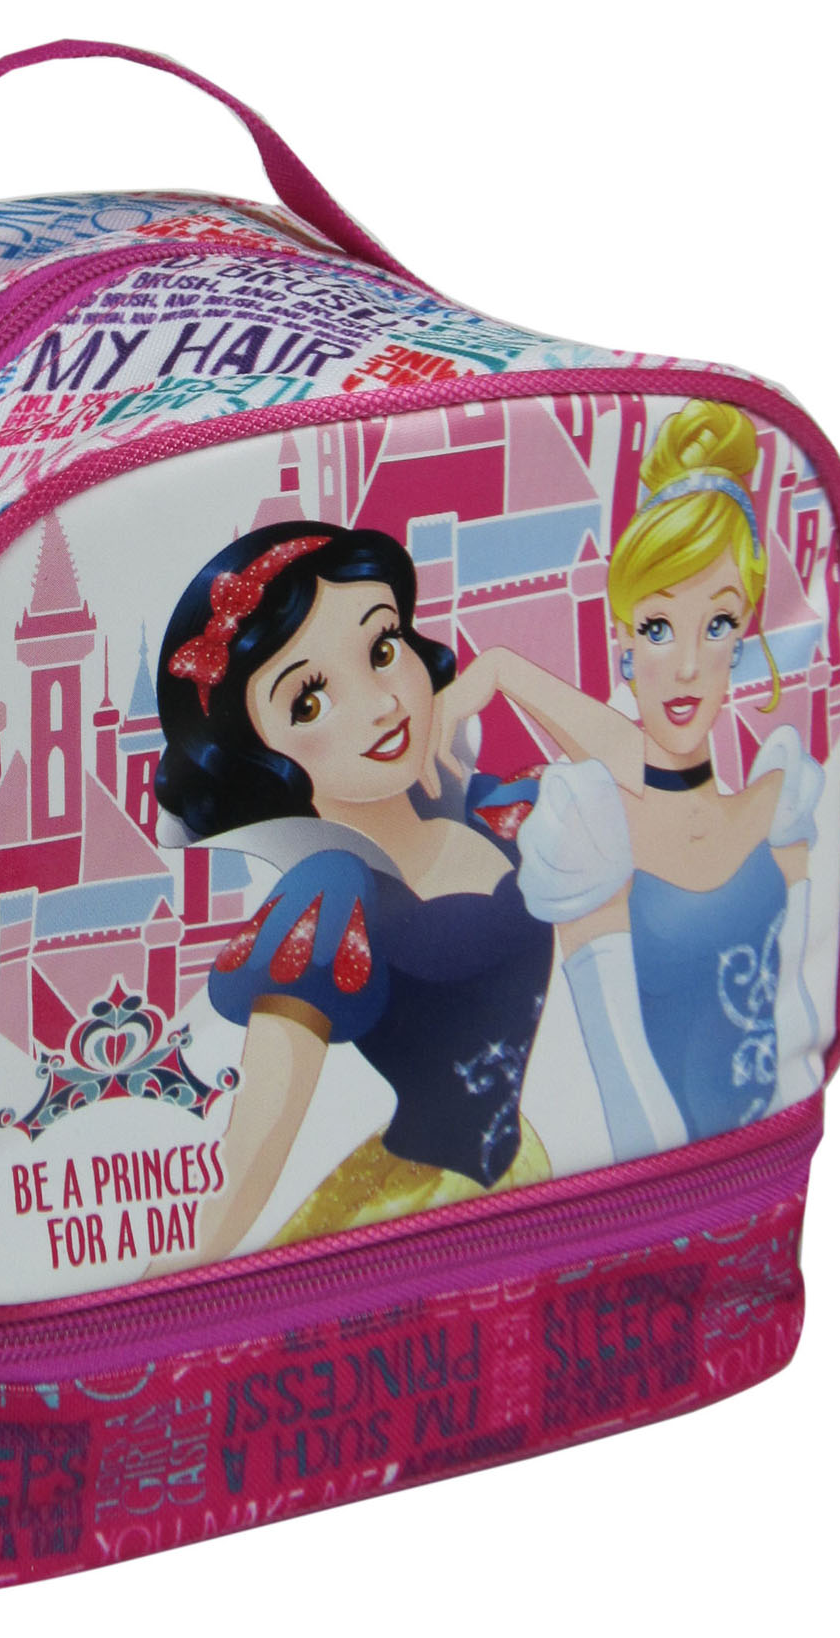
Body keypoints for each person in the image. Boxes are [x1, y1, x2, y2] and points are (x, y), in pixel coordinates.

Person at [429, 399, 825, 1152]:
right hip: (662, 1187)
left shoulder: (779, 799)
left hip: (769, 1162)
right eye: (657, 627)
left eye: (718, 624)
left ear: (747, 631)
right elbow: (627, 1084)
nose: (688, 664)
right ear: (623, 638)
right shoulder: (596, 828)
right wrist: (467, 693)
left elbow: (799, 1013)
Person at [154, 520, 553, 1262]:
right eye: (309, 702)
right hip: (421, 1219)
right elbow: (255, 1145)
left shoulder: (491, 810)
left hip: (522, 1173)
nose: (379, 703)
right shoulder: (331, 891)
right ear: (259, 761)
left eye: (382, 648)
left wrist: (504, 670)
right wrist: (159, 1288)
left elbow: (644, 789)